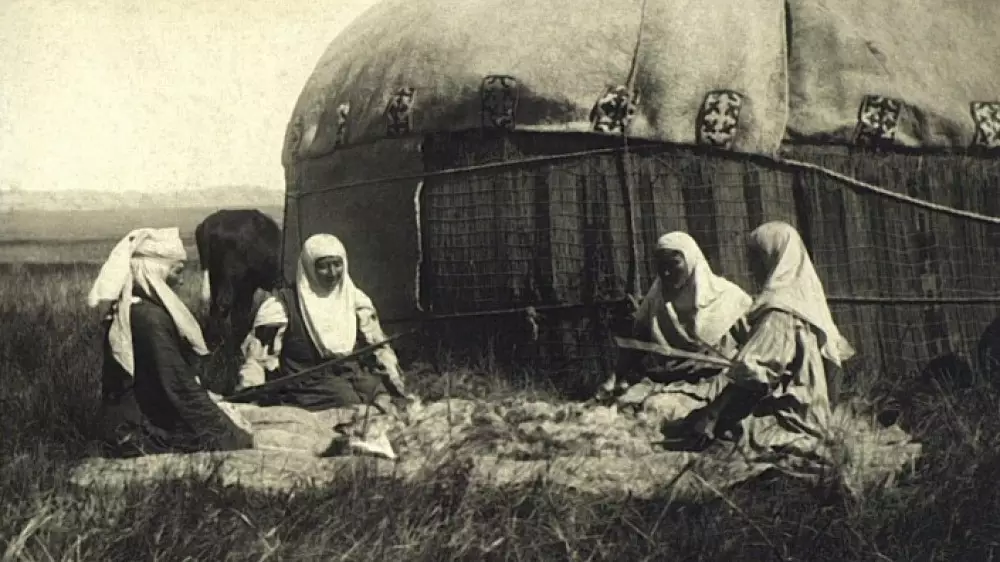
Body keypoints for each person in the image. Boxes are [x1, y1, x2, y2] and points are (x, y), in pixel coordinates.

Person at [675, 221, 856, 451]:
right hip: (812, 412)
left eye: (756, 258)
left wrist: (712, 414)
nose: (751, 268)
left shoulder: (779, 313)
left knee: (706, 430)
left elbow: (755, 373)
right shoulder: (807, 305)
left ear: (773, 258)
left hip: (788, 419)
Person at [90, 227, 254, 455]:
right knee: (230, 438)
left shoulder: (136, 311)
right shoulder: (149, 320)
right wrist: (230, 435)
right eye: (177, 271)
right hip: (135, 429)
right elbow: (178, 386)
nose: (182, 281)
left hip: (132, 419)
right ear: (155, 271)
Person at [236, 233, 414, 412]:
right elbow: (257, 357)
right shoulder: (282, 305)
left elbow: (379, 347)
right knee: (349, 403)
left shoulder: (355, 300)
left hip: (352, 375)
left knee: (382, 397)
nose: (332, 273)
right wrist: (249, 393)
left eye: (337, 264)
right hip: (305, 383)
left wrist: (396, 382)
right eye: (323, 266)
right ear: (308, 267)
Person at [594, 231, 753, 402]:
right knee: (625, 404)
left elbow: (756, 344)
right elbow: (637, 346)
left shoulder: (729, 298)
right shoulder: (656, 300)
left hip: (713, 382)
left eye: (674, 264)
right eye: (661, 266)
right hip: (668, 379)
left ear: (691, 260)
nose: (667, 273)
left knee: (660, 408)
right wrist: (614, 379)